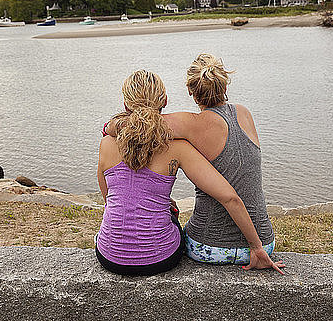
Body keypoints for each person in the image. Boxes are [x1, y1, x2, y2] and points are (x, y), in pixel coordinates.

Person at [96, 70, 284, 276]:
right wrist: (256, 247)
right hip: (160, 258)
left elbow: (111, 201)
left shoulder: (106, 144)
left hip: (109, 256)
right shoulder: (178, 148)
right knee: (172, 217)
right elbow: (230, 197)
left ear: (125, 104)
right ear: (165, 100)